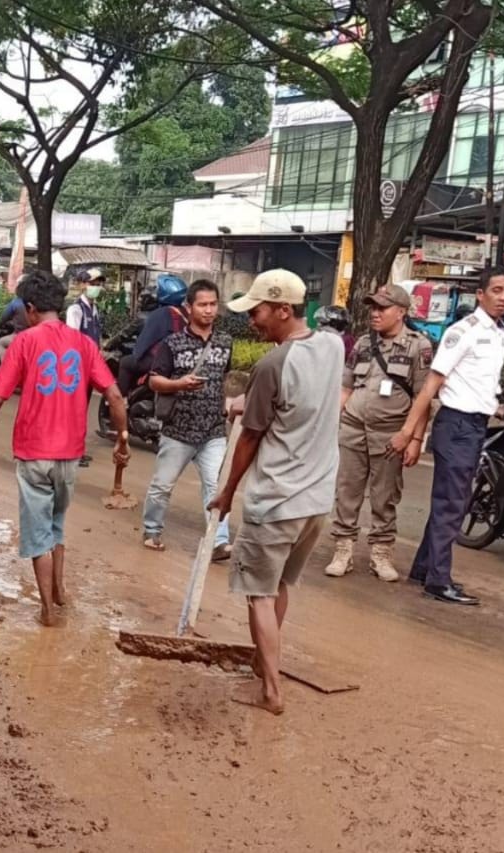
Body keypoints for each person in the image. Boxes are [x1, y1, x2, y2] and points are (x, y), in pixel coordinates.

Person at [210, 269, 343, 715]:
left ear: (284, 310)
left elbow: (250, 438)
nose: (253, 321)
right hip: (317, 501)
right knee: (280, 583)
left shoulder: (271, 366)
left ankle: (269, 690)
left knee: (259, 595)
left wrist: (227, 492)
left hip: (277, 501)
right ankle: (262, 665)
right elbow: (297, 405)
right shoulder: (332, 346)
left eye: (259, 311)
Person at [0, 270, 130, 627]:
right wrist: (122, 437)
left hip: (33, 452)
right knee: (57, 524)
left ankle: (46, 608)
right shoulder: (85, 344)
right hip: (70, 455)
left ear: (30, 308)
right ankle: (59, 590)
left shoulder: (24, 342)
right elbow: (115, 396)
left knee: (38, 530)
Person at [389, 267, 504, 605]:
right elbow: (431, 385)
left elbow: (480, 382)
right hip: (457, 425)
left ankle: (424, 568)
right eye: (497, 290)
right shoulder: (464, 331)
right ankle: (438, 581)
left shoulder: (498, 332)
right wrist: (409, 432)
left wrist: (498, 407)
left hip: (476, 425)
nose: (503, 297)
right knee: (452, 505)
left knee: (451, 502)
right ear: (480, 294)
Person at [324, 285, 432, 582]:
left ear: (401, 312)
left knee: (385, 497)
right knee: (347, 492)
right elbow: (346, 388)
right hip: (354, 428)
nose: (375, 313)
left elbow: (424, 398)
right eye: (373, 307)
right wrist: (331, 424)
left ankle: (381, 553)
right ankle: (343, 550)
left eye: (382, 308)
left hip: (391, 435)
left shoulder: (417, 346)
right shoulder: (361, 344)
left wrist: (414, 440)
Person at [142, 280, 234, 557]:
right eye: (202, 304)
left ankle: (217, 541)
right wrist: (179, 384)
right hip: (178, 430)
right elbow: (154, 381)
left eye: (213, 304)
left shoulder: (225, 342)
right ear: (189, 307)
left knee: (215, 487)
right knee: (162, 485)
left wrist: (227, 401)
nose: (208, 310)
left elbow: (225, 379)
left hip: (213, 431)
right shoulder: (173, 343)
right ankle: (152, 529)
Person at [119, 274, 187, 395]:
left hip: (159, 361)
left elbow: (143, 343)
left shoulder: (159, 314)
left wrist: (137, 354)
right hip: (181, 361)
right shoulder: (186, 313)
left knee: (125, 362)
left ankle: (122, 400)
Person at [66, 269, 105, 467]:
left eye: (98, 283)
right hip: (78, 368)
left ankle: (77, 449)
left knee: (82, 409)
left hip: (89, 368)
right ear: (82, 284)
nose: (96, 287)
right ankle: (71, 450)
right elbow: (73, 341)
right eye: (92, 283)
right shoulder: (76, 310)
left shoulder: (94, 309)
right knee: (75, 409)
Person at [0, 295, 28, 364]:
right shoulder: (36, 302)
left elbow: (3, 318)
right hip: (34, 336)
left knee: (1, 342)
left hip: (19, 335)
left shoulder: (16, 303)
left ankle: (5, 368)